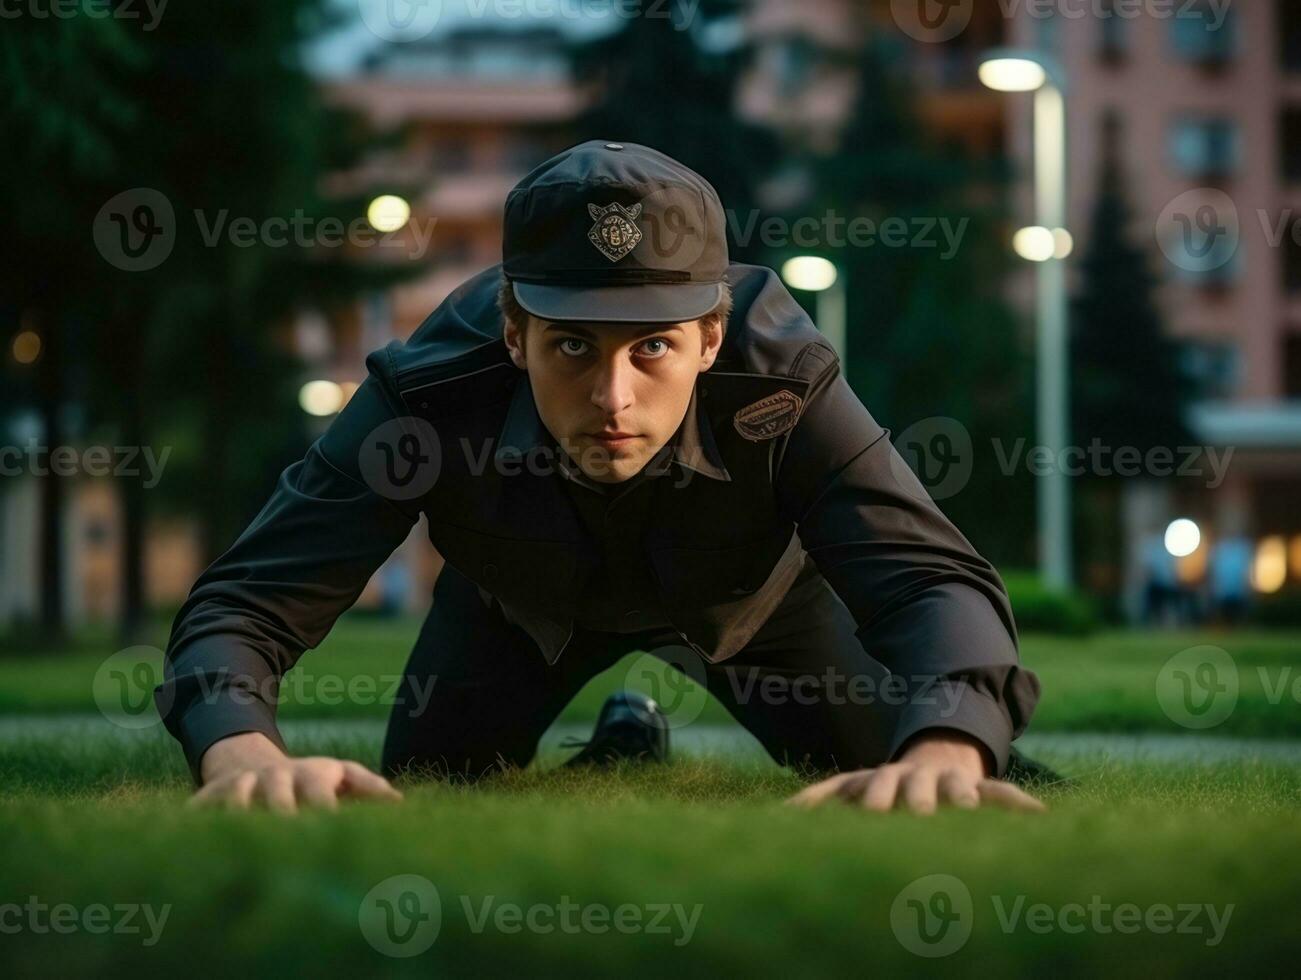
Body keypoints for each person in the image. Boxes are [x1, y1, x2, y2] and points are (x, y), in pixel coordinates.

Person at [155, 140, 1045, 815]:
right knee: (431, 786)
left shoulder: (783, 379)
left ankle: (668, 730)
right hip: (515, 609)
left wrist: (950, 743)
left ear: (708, 336)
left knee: (902, 775)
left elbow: (929, 579)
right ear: (514, 335)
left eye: (652, 345)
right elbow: (249, 599)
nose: (611, 397)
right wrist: (238, 751)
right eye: (572, 344)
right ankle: (625, 742)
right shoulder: (425, 397)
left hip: (757, 612)